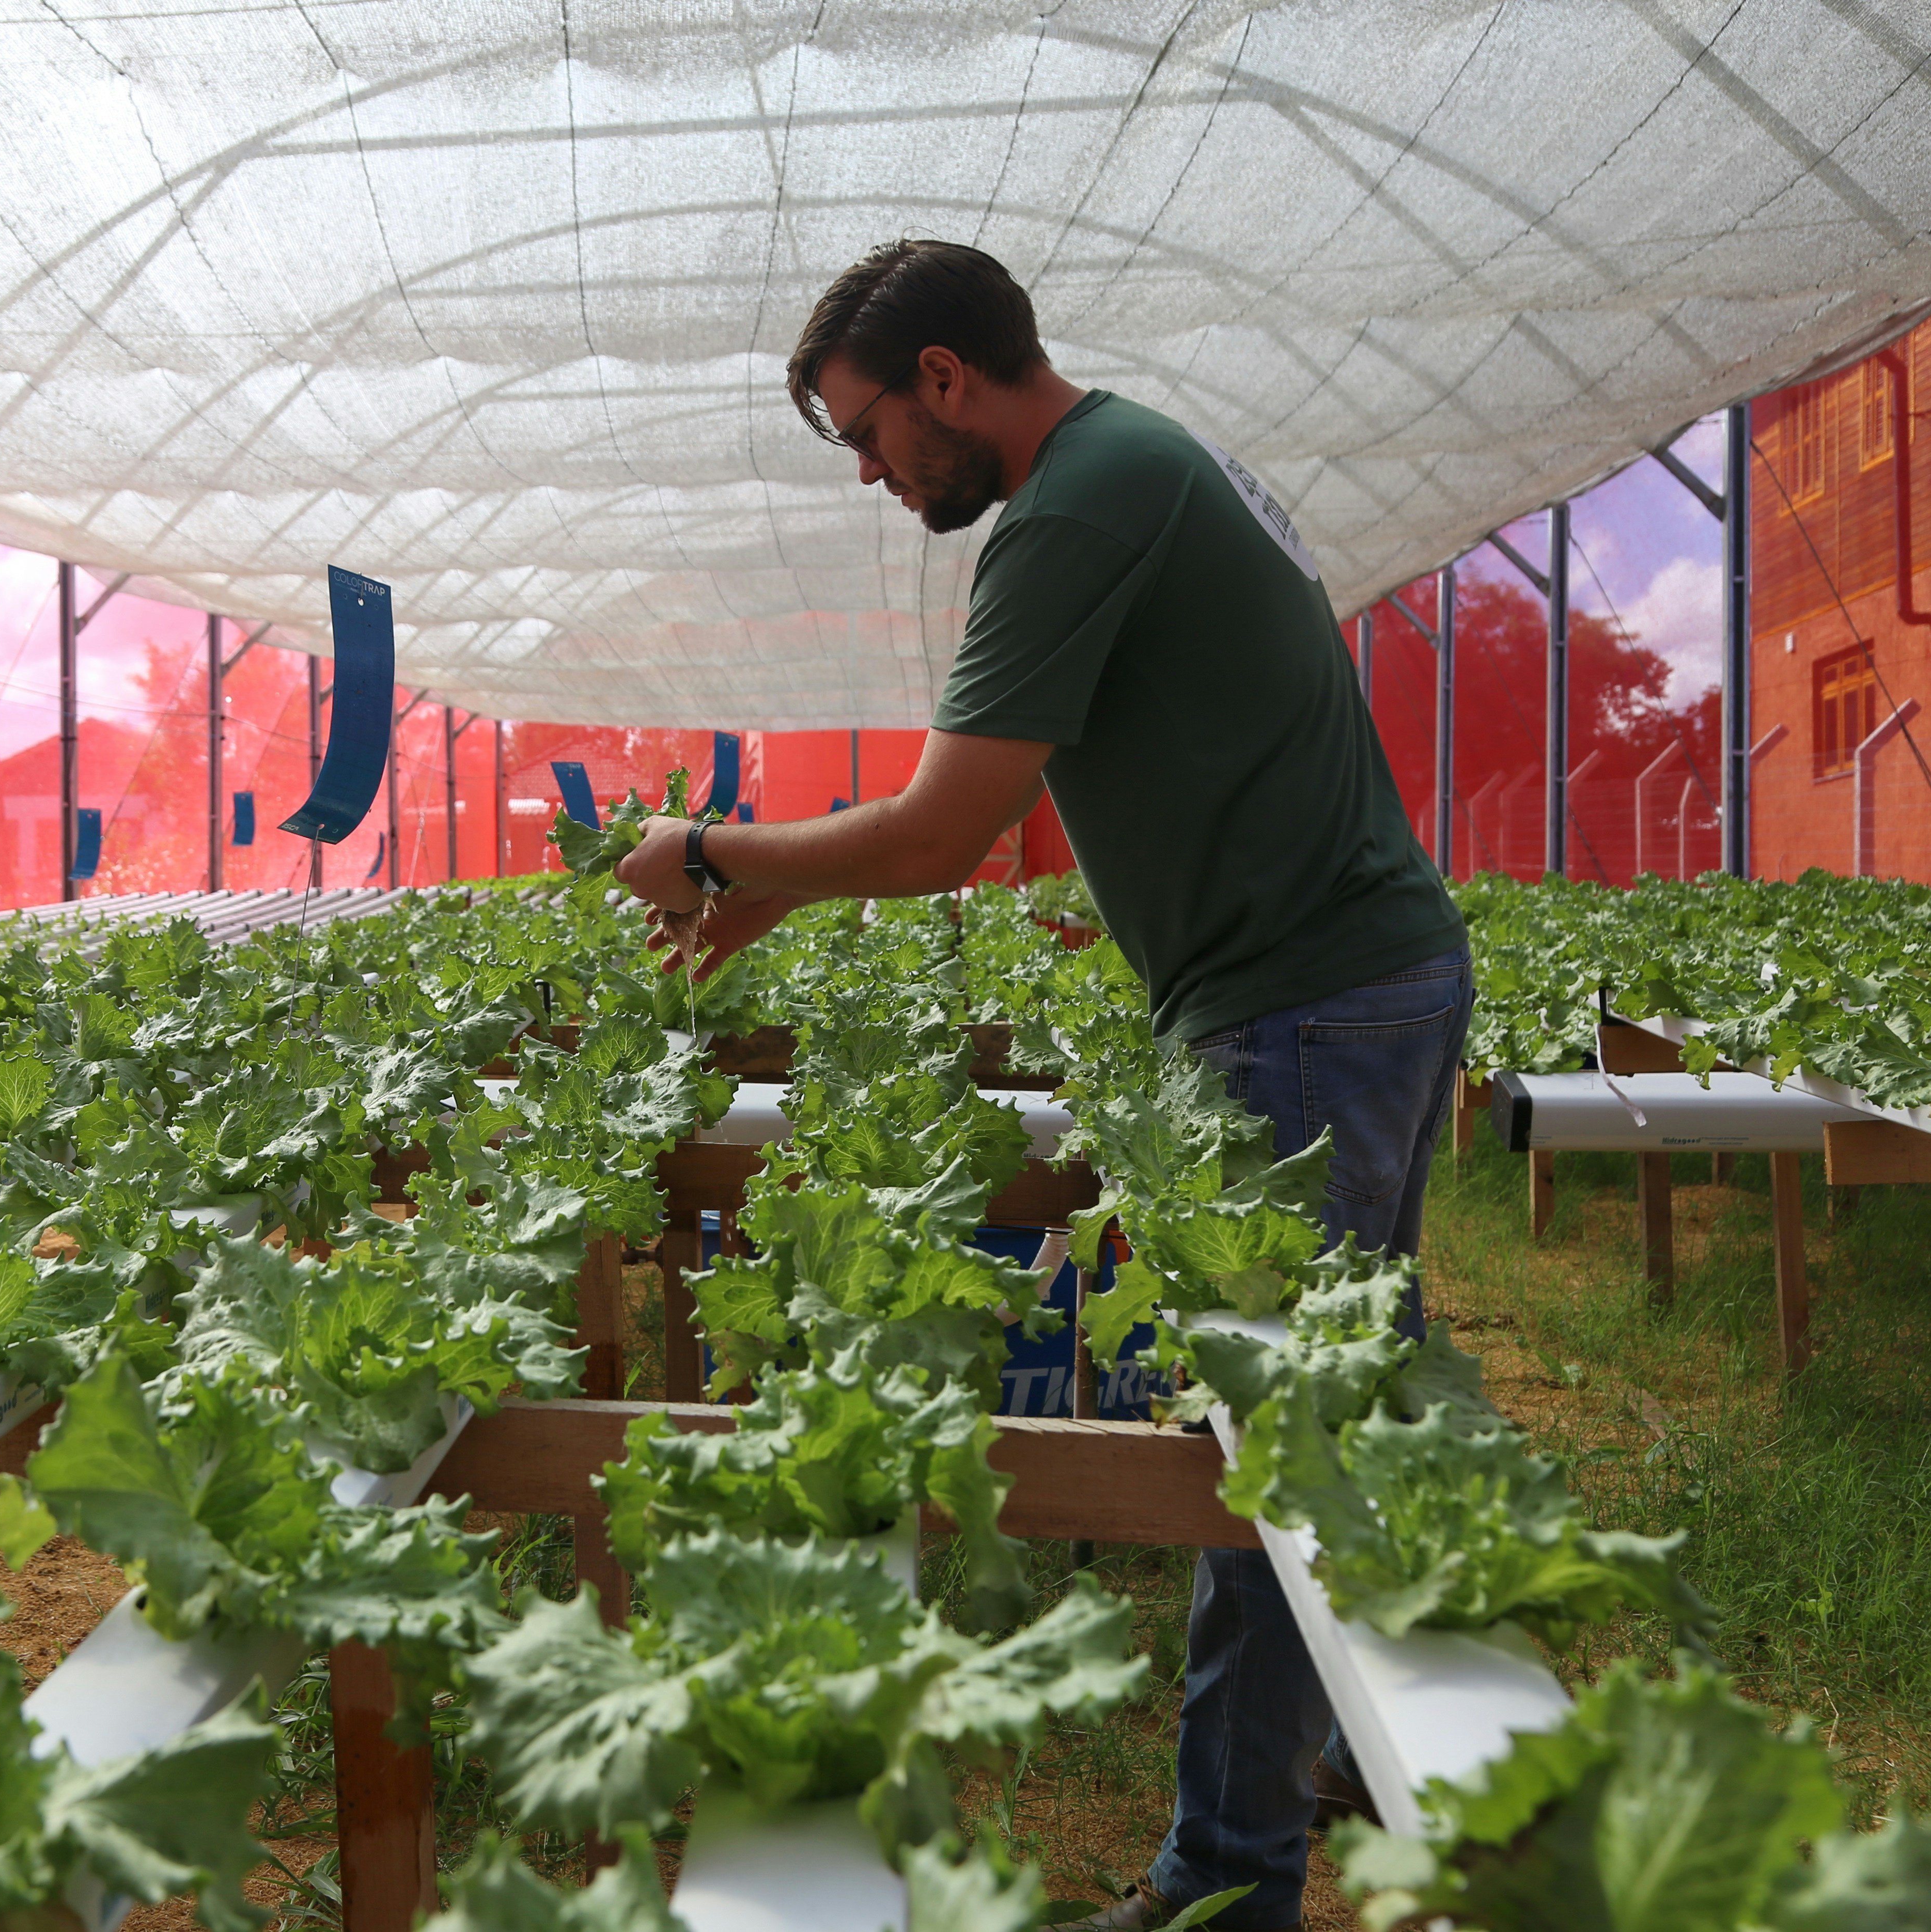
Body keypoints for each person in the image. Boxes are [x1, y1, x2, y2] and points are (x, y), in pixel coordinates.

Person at [611, 238, 1472, 1932]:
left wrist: (704, 846)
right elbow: (995, 790)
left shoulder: (1073, 510)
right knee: (1330, 1405)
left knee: (1267, 1443)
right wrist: (770, 893)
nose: (868, 474)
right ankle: (1354, 1755)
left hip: (1307, 1000)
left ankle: (1230, 1879)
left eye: (867, 433)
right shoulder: (1135, 457)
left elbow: (945, 832)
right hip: (1344, 981)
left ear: (945, 379)